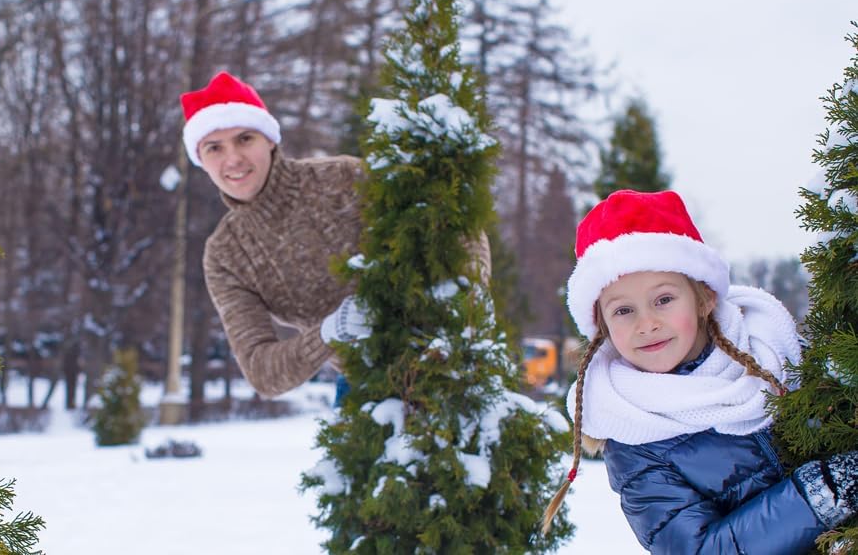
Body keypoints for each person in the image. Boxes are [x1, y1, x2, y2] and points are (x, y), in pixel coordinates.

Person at [541, 189, 857, 554]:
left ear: (704, 298)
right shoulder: (633, 437)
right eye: (624, 311)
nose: (647, 323)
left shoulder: (776, 352)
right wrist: (822, 491)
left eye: (663, 300)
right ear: (602, 326)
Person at [179, 71, 490, 402]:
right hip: (365, 389)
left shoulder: (344, 179)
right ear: (201, 160)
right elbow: (262, 372)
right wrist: (330, 332)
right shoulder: (226, 254)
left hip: (448, 364)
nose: (233, 159)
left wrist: (466, 310)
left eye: (245, 139)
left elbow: (454, 224)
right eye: (214, 148)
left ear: (270, 139)